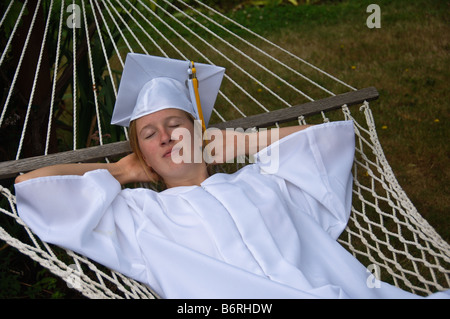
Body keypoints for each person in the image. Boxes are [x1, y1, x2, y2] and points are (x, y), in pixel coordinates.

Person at [14, 54, 448, 299]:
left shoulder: (264, 183)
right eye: (149, 134)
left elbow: (324, 142)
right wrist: (119, 171)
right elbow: (33, 187)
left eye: (176, 124)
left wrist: (235, 143)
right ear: (142, 153)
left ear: (200, 133)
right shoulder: (142, 215)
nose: (165, 137)